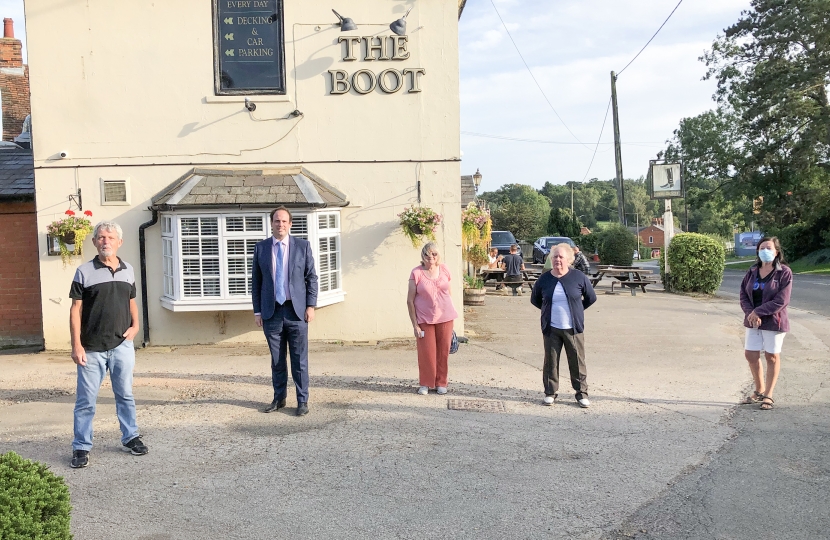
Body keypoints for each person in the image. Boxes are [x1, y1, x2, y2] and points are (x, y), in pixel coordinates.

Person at [69, 221, 145, 468]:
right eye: (101, 237)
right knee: (86, 401)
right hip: (91, 347)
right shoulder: (84, 272)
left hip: (122, 345)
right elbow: (75, 310)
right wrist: (76, 346)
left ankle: (131, 436)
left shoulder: (128, 270)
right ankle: (81, 447)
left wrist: (135, 327)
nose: (106, 241)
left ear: (119, 242)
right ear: (94, 242)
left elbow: (132, 301)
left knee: (125, 394)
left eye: (110, 237)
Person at [252, 206, 318, 416]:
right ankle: (279, 398)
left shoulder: (302, 246)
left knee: (299, 360)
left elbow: (311, 278)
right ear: (271, 223)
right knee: (277, 360)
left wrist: (310, 305)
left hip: (296, 312)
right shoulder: (261, 248)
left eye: (284, 221)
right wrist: (257, 311)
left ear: (290, 224)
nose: (280, 225)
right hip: (271, 312)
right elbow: (256, 282)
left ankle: (302, 401)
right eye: (276, 221)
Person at [530, 243, 597, 408]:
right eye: (554, 257)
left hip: (573, 328)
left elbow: (590, 298)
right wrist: (548, 311)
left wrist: (577, 310)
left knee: (577, 361)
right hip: (551, 328)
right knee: (550, 361)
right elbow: (535, 299)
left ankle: (581, 394)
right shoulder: (545, 279)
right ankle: (550, 392)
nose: (557, 260)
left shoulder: (578, 277)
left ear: (569, 260)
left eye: (561, 257)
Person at [739, 237, 792, 411]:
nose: (765, 251)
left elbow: (781, 300)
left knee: (772, 356)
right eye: (762, 248)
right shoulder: (753, 270)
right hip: (753, 320)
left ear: (776, 251)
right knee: (751, 355)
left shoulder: (783, 272)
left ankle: (768, 394)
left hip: (773, 321)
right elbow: (743, 295)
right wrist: (751, 314)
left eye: (768, 248)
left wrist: (758, 312)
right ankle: (759, 389)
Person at [407, 242, 458, 395]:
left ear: (438, 256)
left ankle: (441, 382)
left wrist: (449, 310)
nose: (431, 257)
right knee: (426, 352)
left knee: (443, 351)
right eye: (427, 255)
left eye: (434, 254)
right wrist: (415, 325)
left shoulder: (444, 269)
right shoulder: (416, 273)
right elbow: (410, 300)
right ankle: (425, 383)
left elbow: (448, 293)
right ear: (422, 256)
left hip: (445, 317)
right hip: (424, 318)